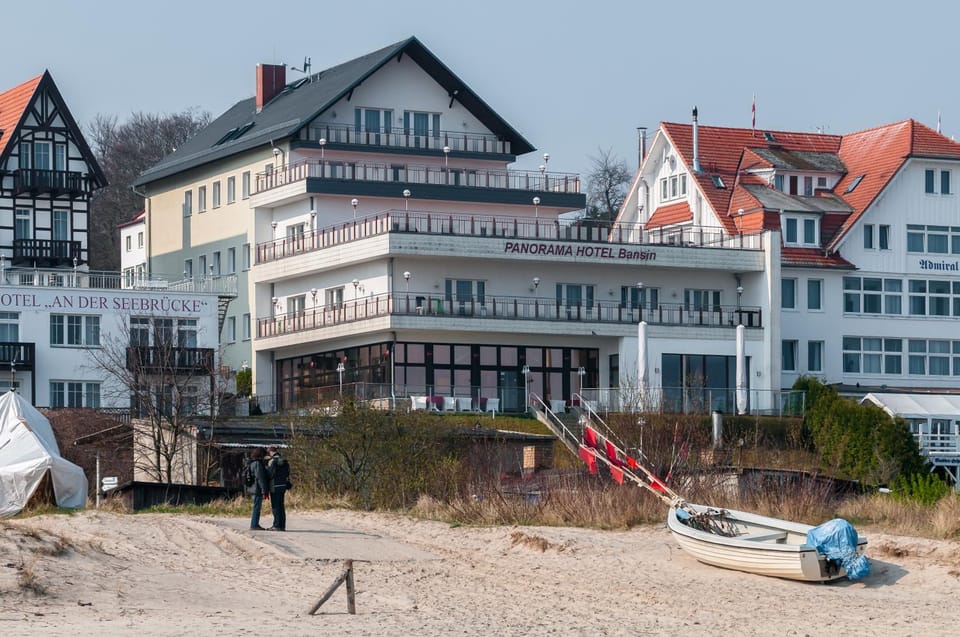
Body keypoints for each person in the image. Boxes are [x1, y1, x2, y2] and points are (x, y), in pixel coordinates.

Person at [265, 446, 289, 531]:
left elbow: (270, 474)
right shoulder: (284, 460)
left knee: (275, 506)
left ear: (270, 452)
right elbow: (287, 473)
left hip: (274, 486)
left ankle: (276, 525)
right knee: (281, 505)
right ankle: (282, 525)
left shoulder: (272, 461)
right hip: (283, 485)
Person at [248, 447, 270, 530]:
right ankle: (254, 525)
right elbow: (261, 478)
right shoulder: (258, 464)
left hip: (253, 488)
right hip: (257, 489)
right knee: (257, 508)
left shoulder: (252, 462)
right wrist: (264, 491)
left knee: (256, 507)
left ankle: (254, 524)